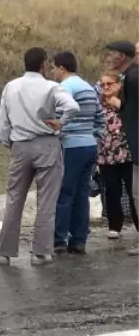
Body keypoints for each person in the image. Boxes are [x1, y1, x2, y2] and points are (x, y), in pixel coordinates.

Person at [0, 48, 80, 266]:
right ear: (43, 64)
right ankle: (40, 252)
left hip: (20, 145)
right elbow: (72, 106)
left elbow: (3, 120)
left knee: (14, 198)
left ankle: (4, 253)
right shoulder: (51, 87)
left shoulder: (11, 87)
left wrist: (8, 142)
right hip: (46, 143)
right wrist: (60, 122)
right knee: (47, 200)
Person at [50, 51, 105, 255]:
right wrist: (95, 137)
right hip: (89, 145)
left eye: (54, 68)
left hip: (70, 146)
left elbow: (57, 116)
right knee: (82, 194)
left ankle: (59, 239)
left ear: (62, 68)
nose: (53, 72)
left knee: (64, 192)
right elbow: (100, 117)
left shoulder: (64, 88)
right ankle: (79, 239)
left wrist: (57, 132)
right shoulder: (89, 88)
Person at [105, 40, 139, 256]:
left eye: (113, 54)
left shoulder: (134, 78)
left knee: (137, 194)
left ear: (122, 56)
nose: (110, 58)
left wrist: (117, 104)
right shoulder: (131, 77)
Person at [97, 70, 139, 239]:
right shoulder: (98, 104)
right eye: (103, 84)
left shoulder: (126, 102)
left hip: (127, 153)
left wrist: (120, 105)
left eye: (110, 84)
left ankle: (137, 224)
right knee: (111, 190)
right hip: (105, 155)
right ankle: (115, 226)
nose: (106, 87)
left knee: (132, 191)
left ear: (119, 85)